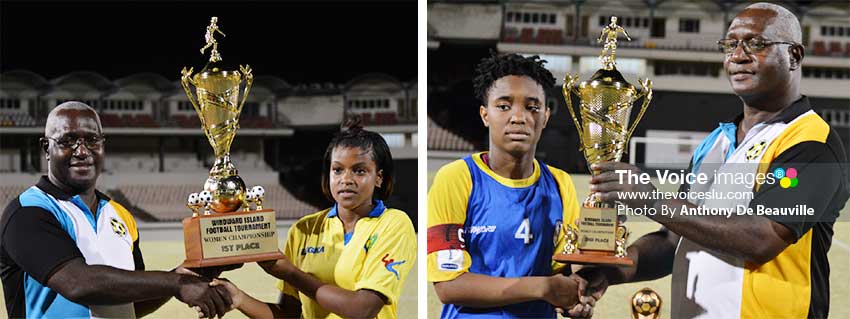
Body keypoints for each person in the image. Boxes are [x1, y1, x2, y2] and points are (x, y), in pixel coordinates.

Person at [577, 3, 848, 319]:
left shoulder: (810, 140)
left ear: (794, 56)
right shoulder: (716, 142)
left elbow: (763, 237)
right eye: (731, 44)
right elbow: (675, 237)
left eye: (756, 43)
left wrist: (649, 201)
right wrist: (615, 269)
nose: (738, 55)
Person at [0, 102, 233, 318]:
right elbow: (77, 282)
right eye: (68, 140)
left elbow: (131, 302)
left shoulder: (120, 215)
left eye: (92, 140)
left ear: (103, 145)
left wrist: (188, 273)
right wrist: (176, 282)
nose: (82, 151)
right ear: (46, 148)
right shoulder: (28, 212)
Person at [427, 53, 594, 318]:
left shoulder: (561, 184)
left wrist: (574, 299)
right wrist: (542, 287)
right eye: (504, 106)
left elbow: (561, 272)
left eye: (532, 107)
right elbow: (449, 285)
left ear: (546, 116)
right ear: (485, 114)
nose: (519, 117)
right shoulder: (456, 178)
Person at [203, 124, 416, 319]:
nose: (346, 179)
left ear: (378, 177)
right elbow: (290, 315)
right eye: (338, 169)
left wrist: (290, 273)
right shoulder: (304, 229)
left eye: (359, 170)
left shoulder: (393, 224)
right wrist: (238, 298)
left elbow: (362, 309)